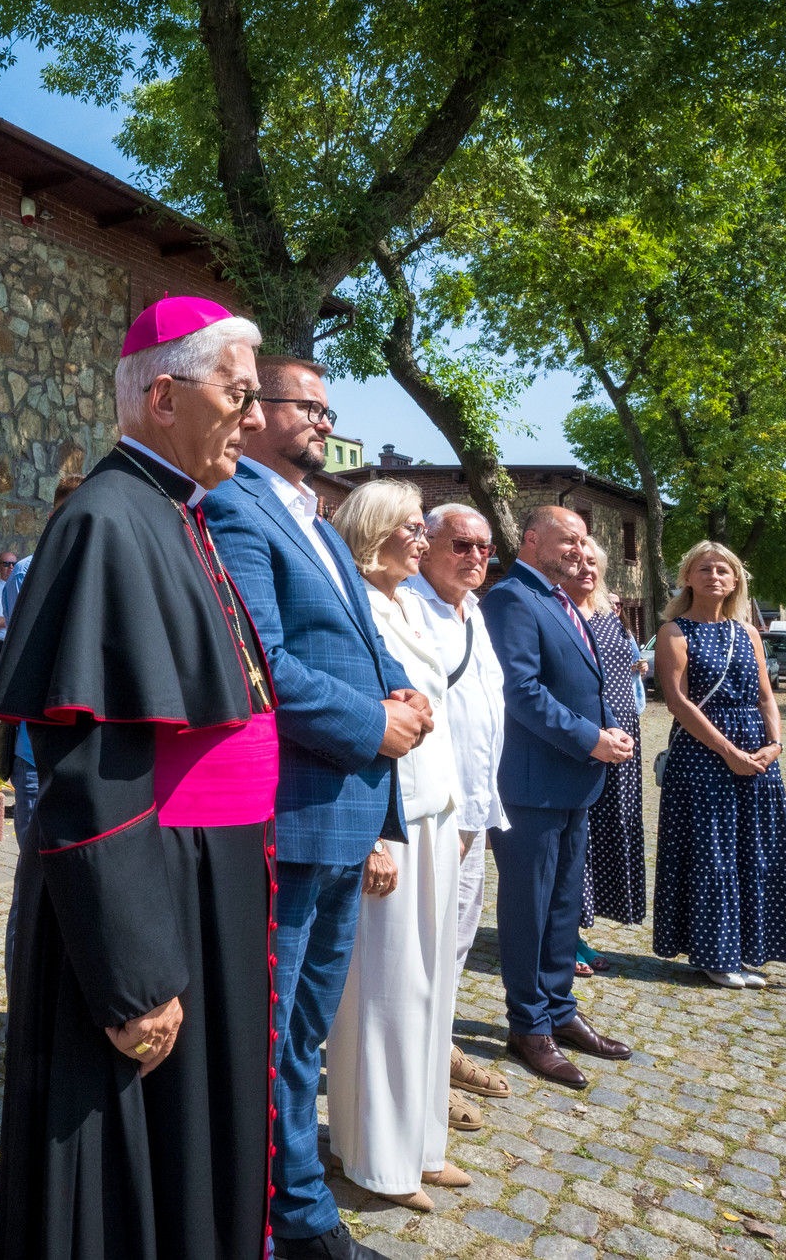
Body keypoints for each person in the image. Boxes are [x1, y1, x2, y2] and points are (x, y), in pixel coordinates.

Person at [0, 297, 279, 1259]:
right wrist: (136, 977)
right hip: (150, 895)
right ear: (164, 395)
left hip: (202, 878)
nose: (255, 417)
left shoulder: (177, 512)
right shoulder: (106, 520)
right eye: (238, 393)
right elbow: (88, 776)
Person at [203, 355, 429, 1260]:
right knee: (270, 1030)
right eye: (309, 406)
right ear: (255, 411)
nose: (324, 422)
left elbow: (365, 642)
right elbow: (265, 663)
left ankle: (292, 1204)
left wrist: (402, 690)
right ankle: (279, 1217)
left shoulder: (320, 521)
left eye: (330, 410)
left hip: (349, 811)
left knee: (304, 1034)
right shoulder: (235, 508)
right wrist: (373, 725)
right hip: (293, 816)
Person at [325, 481, 469, 1213]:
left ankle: (422, 1142)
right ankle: (375, 1156)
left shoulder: (411, 601)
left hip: (434, 809)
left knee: (432, 989)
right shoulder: (354, 602)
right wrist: (376, 835)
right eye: (411, 527)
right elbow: (360, 723)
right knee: (384, 992)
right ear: (375, 529)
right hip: (391, 818)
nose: (423, 539)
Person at [479, 507, 635, 1090]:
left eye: (584, 539)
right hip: (531, 784)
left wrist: (608, 727)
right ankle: (528, 1026)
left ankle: (560, 1010)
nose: (579, 548)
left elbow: (585, 680)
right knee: (530, 908)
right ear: (531, 539)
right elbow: (520, 691)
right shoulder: (512, 598)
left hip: (573, 779)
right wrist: (590, 737)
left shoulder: (560, 598)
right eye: (568, 538)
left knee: (564, 904)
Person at [651, 541, 786, 988]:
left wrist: (775, 744)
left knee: (752, 850)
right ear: (687, 577)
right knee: (712, 854)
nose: (714, 577)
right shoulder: (674, 632)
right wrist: (728, 752)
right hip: (702, 755)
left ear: (736, 580)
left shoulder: (748, 633)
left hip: (757, 755)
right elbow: (678, 702)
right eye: (704, 569)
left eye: (723, 570)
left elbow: (766, 696)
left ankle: (745, 949)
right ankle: (714, 954)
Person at [402, 503, 511, 1125]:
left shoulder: (474, 610)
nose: (474, 557)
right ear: (428, 543)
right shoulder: (409, 606)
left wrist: (482, 806)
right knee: (422, 944)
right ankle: (417, 1068)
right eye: (461, 544)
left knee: (458, 939)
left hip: (473, 806)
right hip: (433, 808)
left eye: (483, 548)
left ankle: (438, 1046)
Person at [0, 477, 82, 976]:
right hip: (38, 752)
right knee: (33, 880)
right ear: (55, 515)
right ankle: (21, 1002)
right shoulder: (29, 570)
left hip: (85, 756)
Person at [568, 540, 647, 975]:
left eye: (593, 562)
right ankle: (566, 937)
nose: (586, 569)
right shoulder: (560, 614)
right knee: (575, 841)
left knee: (608, 831)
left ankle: (575, 928)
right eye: (577, 561)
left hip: (622, 741)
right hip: (579, 740)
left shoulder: (608, 617)